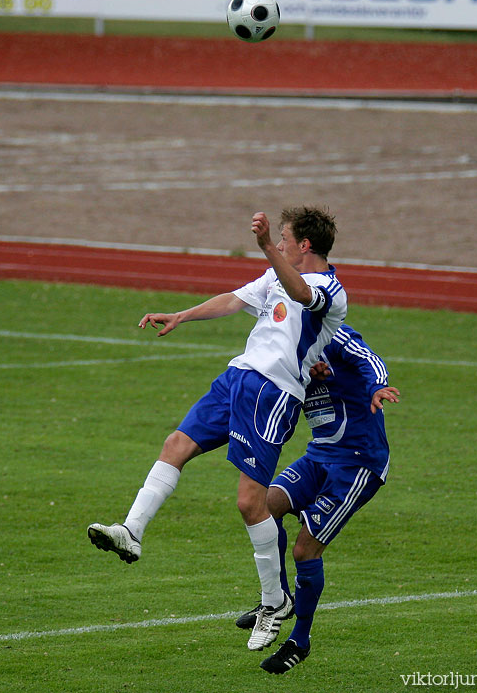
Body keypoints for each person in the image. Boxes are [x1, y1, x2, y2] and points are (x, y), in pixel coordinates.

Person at [88, 207, 347, 653]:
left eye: (285, 239)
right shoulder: (274, 275)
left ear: (304, 245)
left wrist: (267, 247)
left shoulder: (331, 291)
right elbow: (234, 299)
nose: (280, 244)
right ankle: (131, 532)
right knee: (176, 444)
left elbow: (301, 293)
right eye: (278, 239)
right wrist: (182, 315)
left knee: (250, 503)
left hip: (274, 395)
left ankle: (275, 601)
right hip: (237, 378)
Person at [235, 324, 399, 674]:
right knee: (263, 507)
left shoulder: (332, 332)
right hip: (319, 454)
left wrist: (377, 387)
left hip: (358, 462)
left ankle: (300, 640)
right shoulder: (291, 351)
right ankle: (278, 601)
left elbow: (370, 360)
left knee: (304, 550)